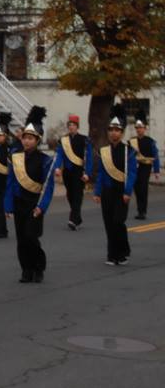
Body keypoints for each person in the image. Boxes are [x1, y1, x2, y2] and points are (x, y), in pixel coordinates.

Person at [4, 107, 56, 283]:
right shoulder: (15, 157)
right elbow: (10, 183)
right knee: (21, 239)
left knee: (31, 237)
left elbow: (48, 187)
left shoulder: (45, 160)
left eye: (31, 138)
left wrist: (42, 207)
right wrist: (8, 205)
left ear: (37, 140)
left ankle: (38, 267)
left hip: (35, 204)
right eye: (25, 137)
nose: (27, 141)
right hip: (19, 203)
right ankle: (26, 269)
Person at [93, 104, 137, 266]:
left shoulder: (129, 151)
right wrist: (97, 192)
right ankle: (112, 255)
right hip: (107, 192)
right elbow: (101, 174)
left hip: (121, 192)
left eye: (117, 130)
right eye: (111, 130)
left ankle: (123, 252)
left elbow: (132, 173)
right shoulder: (104, 151)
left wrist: (127, 191)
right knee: (109, 223)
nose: (113, 133)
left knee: (118, 222)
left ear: (122, 132)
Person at [54, 114, 92, 230]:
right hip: (67, 172)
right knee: (70, 195)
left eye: (73, 125)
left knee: (77, 195)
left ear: (77, 126)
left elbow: (89, 157)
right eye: (69, 125)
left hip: (79, 172)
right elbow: (59, 154)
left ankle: (73, 219)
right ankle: (77, 217)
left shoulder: (84, 140)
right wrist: (57, 167)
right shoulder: (63, 140)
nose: (71, 127)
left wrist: (87, 173)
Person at [129, 110, 160, 219]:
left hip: (145, 167)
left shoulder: (150, 141)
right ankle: (139, 210)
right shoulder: (132, 142)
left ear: (145, 128)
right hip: (135, 168)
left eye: (140, 127)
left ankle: (143, 211)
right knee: (137, 188)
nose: (139, 130)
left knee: (143, 188)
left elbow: (155, 156)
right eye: (137, 128)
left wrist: (156, 171)